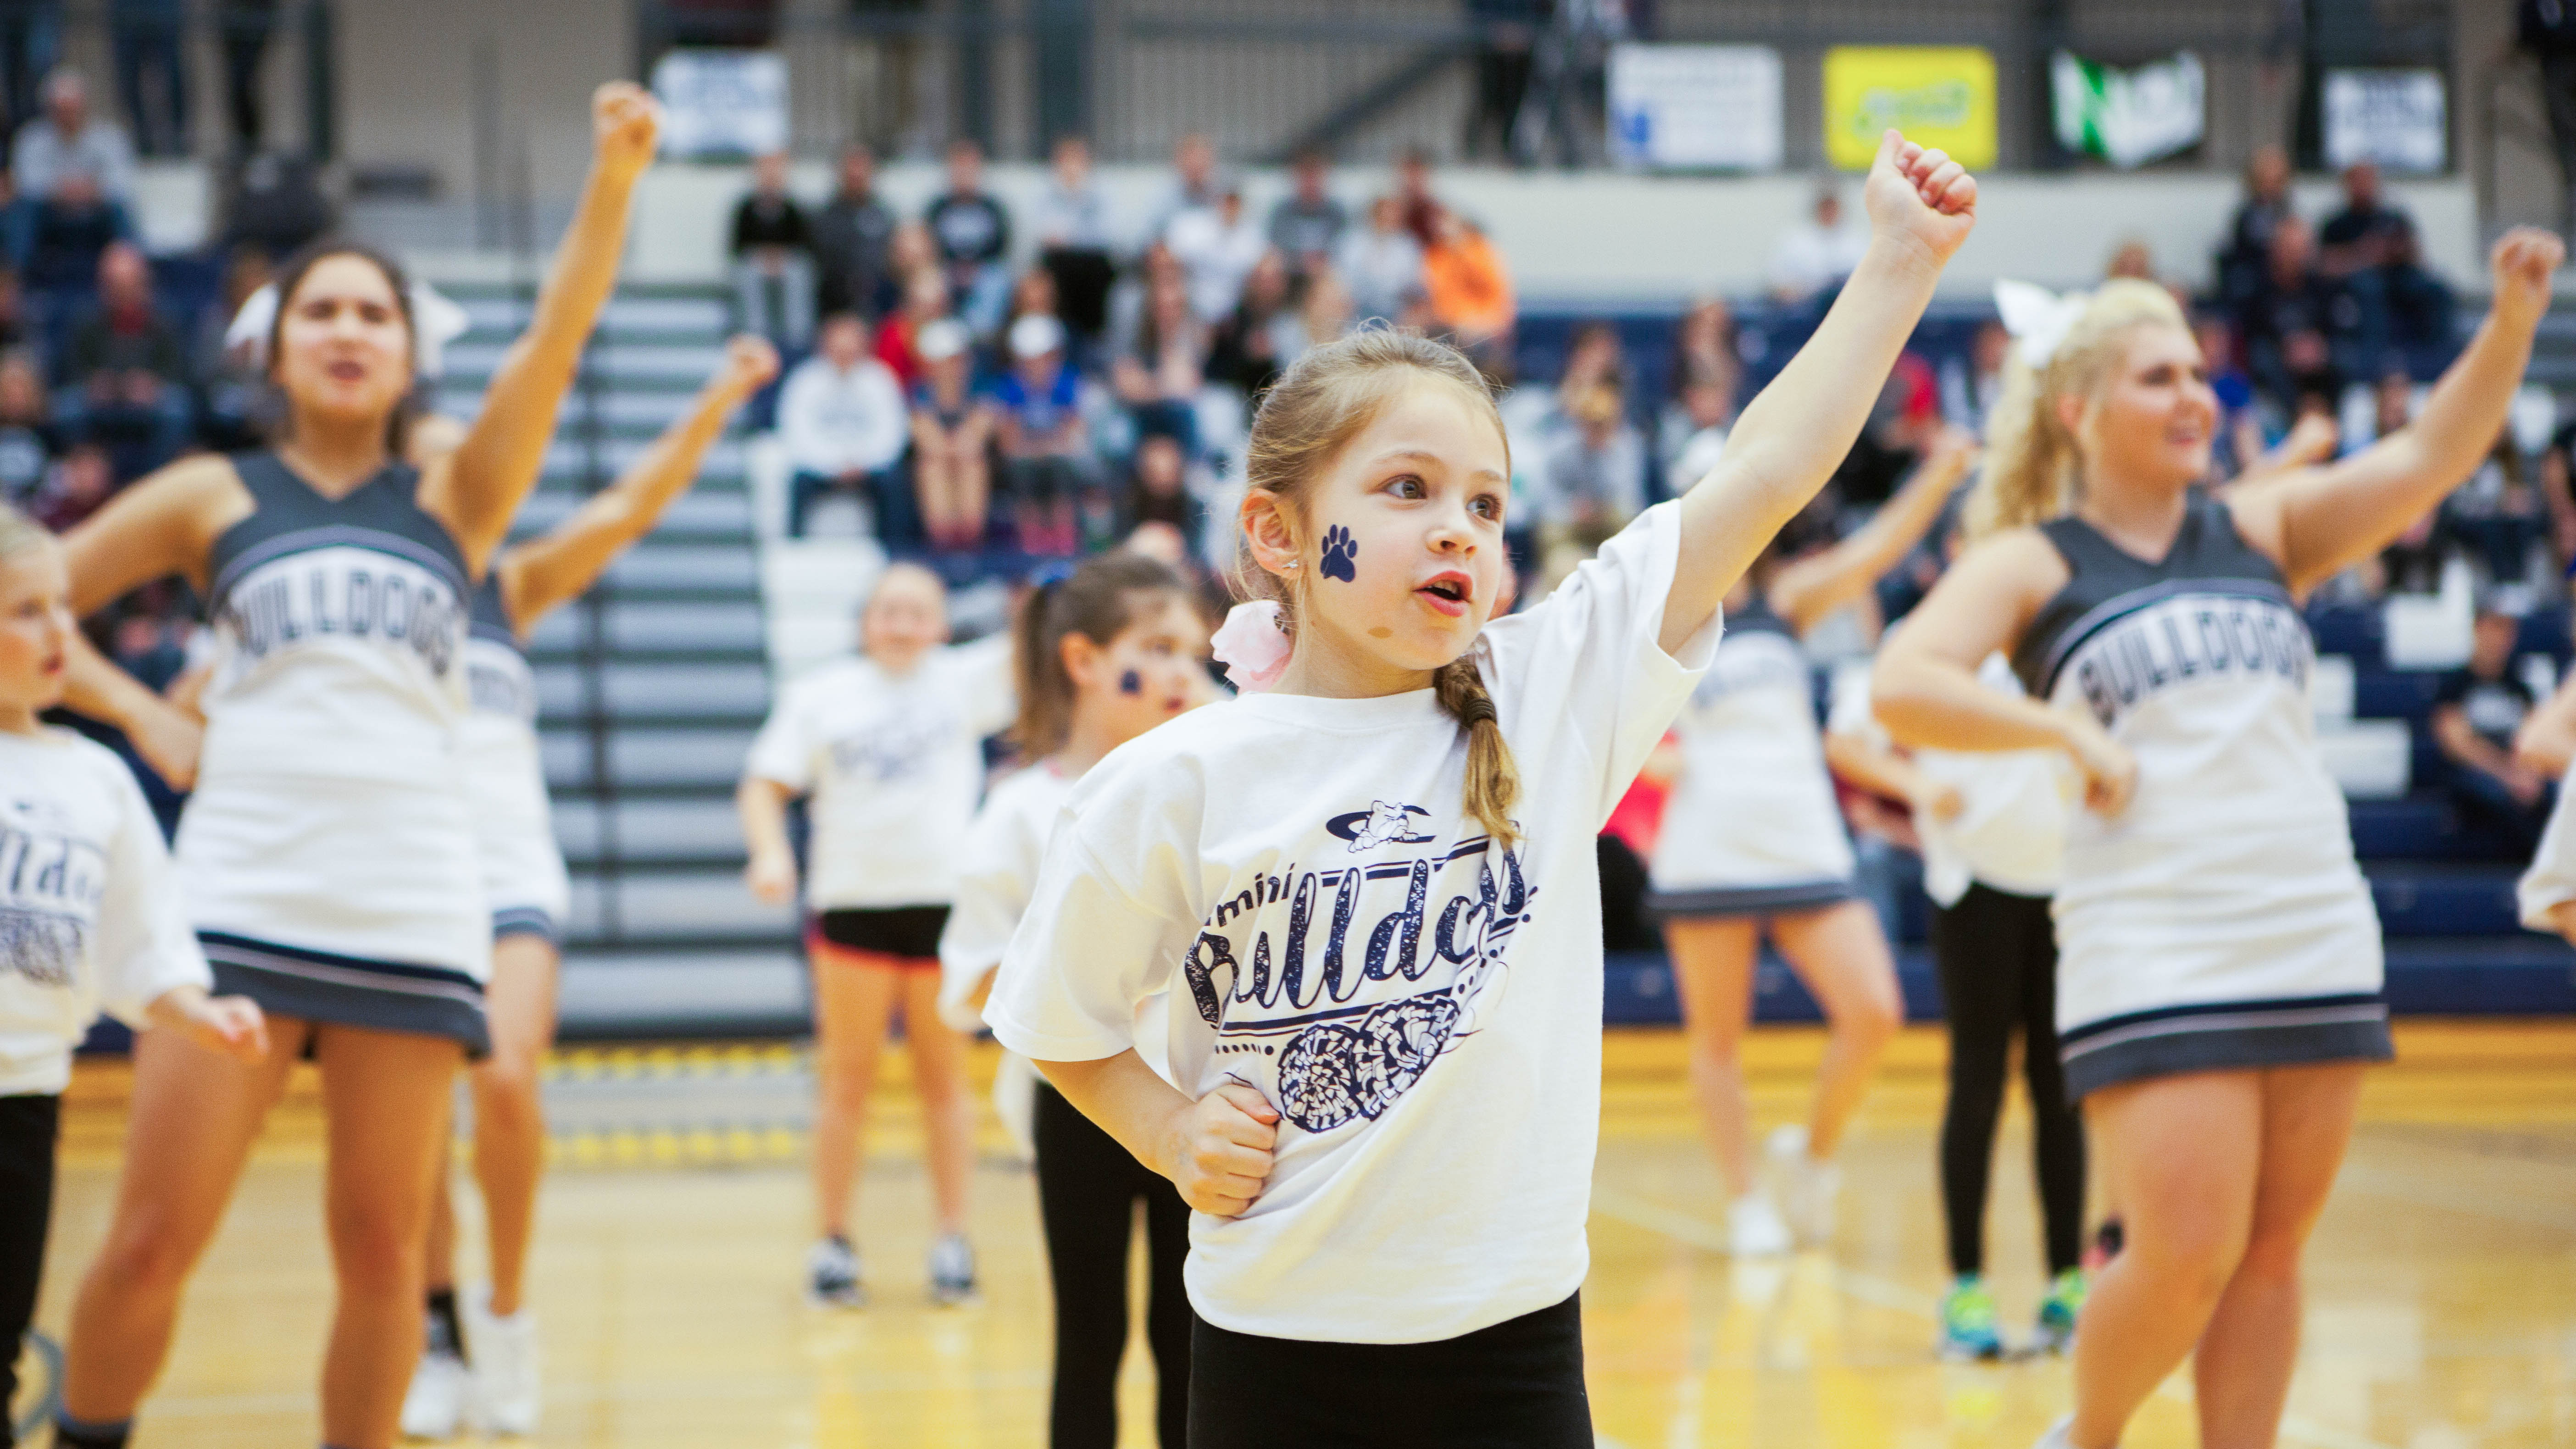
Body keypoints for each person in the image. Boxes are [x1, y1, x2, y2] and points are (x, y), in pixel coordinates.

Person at [983, 130, 1977, 1449]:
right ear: (1277, 533)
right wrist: (1166, 1126)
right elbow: (1054, 1016)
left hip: (1514, 1342)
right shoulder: (1174, 777)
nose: (1459, 525)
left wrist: (1899, 265)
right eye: (1407, 489)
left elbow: (1765, 472)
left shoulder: (1552, 693)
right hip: (1274, 1343)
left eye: (1488, 503)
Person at [1869, 228, 2562, 1449]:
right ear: (2078, 409)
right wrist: (2061, 736)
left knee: (2273, 1248)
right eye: (2160, 376)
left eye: (2199, 372)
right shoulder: (2035, 560)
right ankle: (2085, 1431)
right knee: (2184, 1247)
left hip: (2308, 912)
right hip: (2152, 929)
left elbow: (2432, 452)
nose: (2195, 394)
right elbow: (1904, 679)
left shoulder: (2263, 525)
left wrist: (2511, 318)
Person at [44, 83, 658, 1449]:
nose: (347, 330)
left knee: (384, 1258)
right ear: (274, 346)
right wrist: (140, 715)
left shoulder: (460, 501)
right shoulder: (213, 494)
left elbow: (555, 341)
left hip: (413, 902)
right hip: (238, 897)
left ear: (404, 355)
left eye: (373, 313)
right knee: (150, 1241)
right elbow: (30, 603)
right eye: (321, 309)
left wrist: (613, 178)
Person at [398, 337, 777, 1440]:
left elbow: (626, 507)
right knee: (415, 1118)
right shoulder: (351, 586)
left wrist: (712, 398)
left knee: (505, 1083)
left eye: (454, 462)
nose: (441, 481)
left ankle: (506, 1317)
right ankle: (436, 1330)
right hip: (397, 873)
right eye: (419, 467)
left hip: (509, 868)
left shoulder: (505, 587)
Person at [1643, 431, 1974, 1255]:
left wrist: (1936, 472)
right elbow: (1618, 722)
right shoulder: (1660, 614)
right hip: (1709, 840)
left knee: (1874, 1010)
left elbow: (1876, 549)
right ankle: (1745, 1199)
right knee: (1717, 1038)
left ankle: (1813, 1155)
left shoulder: (1787, 597)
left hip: (1803, 838)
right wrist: (1657, 759)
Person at [0, 505, 268, 1449]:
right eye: (25, 610)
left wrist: (196, 1009)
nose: (58, 632)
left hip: (26, 1102)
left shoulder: (95, 778)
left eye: (64, 607)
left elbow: (141, 939)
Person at [939, 551, 1209, 1449]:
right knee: (1089, 1341)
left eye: (1194, 650)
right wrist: (1083, 979)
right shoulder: (1019, 811)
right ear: (1085, 660)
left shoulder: (1216, 787)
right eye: (1158, 646)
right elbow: (974, 977)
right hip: (1081, 1103)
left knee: (1194, 1341)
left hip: (1202, 1102)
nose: (1182, 671)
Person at [739, 562, 1016, 1310]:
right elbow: (763, 783)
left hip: (942, 910)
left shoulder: (965, 679)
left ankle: (952, 1241)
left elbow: (1050, 626)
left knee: (945, 1082)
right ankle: (831, 1242)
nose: (900, 622)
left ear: (939, 622)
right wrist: (771, 851)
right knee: (847, 1081)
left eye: (916, 610)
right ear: (866, 619)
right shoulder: (821, 695)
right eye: (887, 609)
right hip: (853, 906)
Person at [54, 240, 189, 473]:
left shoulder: (167, 320)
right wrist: (93, 384)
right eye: (115, 285)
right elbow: (71, 368)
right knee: (68, 408)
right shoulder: (85, 319)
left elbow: (180, 370)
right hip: (99, 398)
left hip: (149, 398)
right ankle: (86, 480)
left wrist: (153, 385)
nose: (123, 292)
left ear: (145, 284)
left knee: (177, 408)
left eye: (130, 285)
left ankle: (157, 479)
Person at [2432, 600, 2552, 855]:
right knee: (2488, 793)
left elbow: (2536, 740)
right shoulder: (2455, 685)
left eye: (2507, 630)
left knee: (2551, 792)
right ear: (2477, 629)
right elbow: (2457, 745)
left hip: (2515, 772)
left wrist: (2528, 774)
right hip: (2475, 775)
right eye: (2494, 628)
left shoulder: (2520, 688)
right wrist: (2507, 775)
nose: (2500, 638)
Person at [779, 310, 911, 542]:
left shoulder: (879, 378)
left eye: (851, 349)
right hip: (821, 466)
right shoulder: (805, 380)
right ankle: (795, 549)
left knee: (896, 481)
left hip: (868, 465)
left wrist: (862, 462)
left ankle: (896, 552)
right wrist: (835, 464)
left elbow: (892, 432)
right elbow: (796, 433)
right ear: (825, 346)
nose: (845, 355)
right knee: (798, 482)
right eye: (839, 348)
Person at [2319, 161, 2454, 377]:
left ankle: (2443, 359)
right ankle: (2372, 364)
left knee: (2438, 290)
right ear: (2347, 185)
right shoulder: (2336, 224)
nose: (2365, 186)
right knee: (2369, 288)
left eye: (2369, 179)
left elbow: (2416, 254)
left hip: (2399, 276)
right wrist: (2364, 254)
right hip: (2359, 282)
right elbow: (2324, 265)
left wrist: (2396, 252)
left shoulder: (2393, 217)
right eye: (2358, 180)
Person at [990, 312, 1093, 557]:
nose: (1037, 366)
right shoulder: (1009, 387)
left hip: (1057, 458)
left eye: (1043, 358)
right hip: (1027, 460)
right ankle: (1031, 541)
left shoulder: (1067, 383)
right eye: (1029, 360)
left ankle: (1065, 539)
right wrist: (1045, 447)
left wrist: (1038, 447)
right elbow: (1007, 443)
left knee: (1061, 468)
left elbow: (1075, 436)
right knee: (1022, 470)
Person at [908, 318, 992, 555]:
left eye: (956, 359)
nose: (951, 367)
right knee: (932, 466)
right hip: (939, 462)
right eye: (944, 361)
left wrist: (958, 446)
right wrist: (954, 447)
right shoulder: (919, 394)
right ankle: (943, 541)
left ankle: (969, 540)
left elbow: (978, 435)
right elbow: (927, 442)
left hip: (969, 460)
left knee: (971, 463)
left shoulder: (979, 389)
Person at [926, 138, 1013, 337]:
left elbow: (1001, 244)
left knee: (996, 281)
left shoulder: (992, 207)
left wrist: (973, 267)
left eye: (969, 169)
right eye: (959, 169)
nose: (964, 175)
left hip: (983, 270)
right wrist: (956, 266)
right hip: (946, 268)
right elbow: (929, 244)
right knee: (930, 282)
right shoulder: (938, 208)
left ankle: (981, 337)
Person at [729, 150, 816, 350]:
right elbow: (737, 247)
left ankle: (797, 338)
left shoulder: (794, 208)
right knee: (749, 272)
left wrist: (779, 258)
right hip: (756, 265)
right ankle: (755, 335)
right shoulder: (745, 208)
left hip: (786, 265)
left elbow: (804, 246)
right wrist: (765, 257)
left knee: (798, 272)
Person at [1035, 134, 1117, 342]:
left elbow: (1106, 238)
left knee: (1097, 269)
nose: (1072, 168)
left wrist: (1070, 237)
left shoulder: (1099, 196)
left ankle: (1093, 338)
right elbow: (1045, 238)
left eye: (1077, 161)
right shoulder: (1047, 197)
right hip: (1061, 268)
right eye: (1066, 161)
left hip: (1092, 270)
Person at [811, 144, 898, 321]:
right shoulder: (825, 216)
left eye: (862, 167)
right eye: (852, 167)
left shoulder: (884, 213)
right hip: (836, 305)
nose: (857, 174)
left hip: (881, 299)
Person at [1167, 176, 1267, 327]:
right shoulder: (1190, 228)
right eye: (1225, 200)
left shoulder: (1254, 238)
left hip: (1237, 318)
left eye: (1234, 201)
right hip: (1190, 312)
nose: (1229, 207)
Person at [1421, 208, 1515, 360]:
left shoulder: (1482, 251)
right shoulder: (1436, 255)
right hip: (1450, 323)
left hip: (1486, 321)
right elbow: (1438, 295)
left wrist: (1460, 250)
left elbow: (1495, 294)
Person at [1768, 185, 1870, 304]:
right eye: (1825, 207)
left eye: (1832, 207)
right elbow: (1778, 285)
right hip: (1807, 308)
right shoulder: (1794, 241)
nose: (1829, 212)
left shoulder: (1857, 241)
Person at [1268, 148, 1349, 280]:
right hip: (1290, 275)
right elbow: (1275, 247)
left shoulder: (1337, 212)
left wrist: (1319, 261)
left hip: (1326, 275)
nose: (1310, 184)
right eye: (1306, 177)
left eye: (1314, 177)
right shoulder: (1281, 212)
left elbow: (1344, 247)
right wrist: (1301, 261)